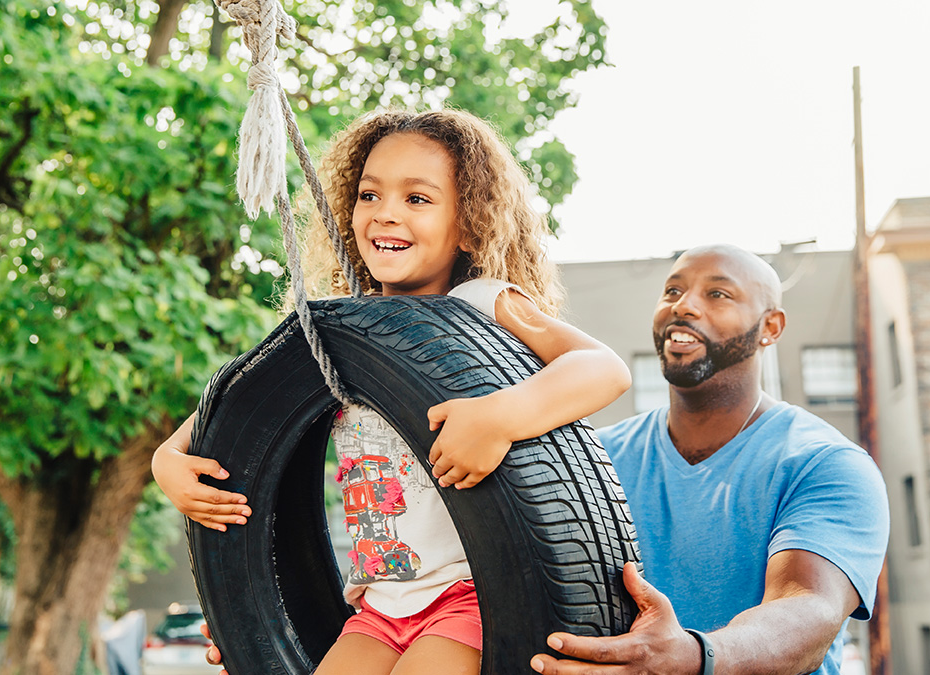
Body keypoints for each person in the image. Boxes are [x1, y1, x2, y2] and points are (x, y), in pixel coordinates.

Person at [151, 109, 632, 675]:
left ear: (471, 223)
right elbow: (223, 423)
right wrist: (167, 463)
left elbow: (603, 367)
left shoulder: (483, 303)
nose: (386, 215)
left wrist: (504, 414)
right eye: (369, 196)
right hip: (380, 605)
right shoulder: (335, 334)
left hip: (470, 595)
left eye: (418, 200)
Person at [528, 245, 890, 675]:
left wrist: (695, 656)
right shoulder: (592, 459)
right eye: (673, 291)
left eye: (718, 294)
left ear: (769, 327)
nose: (684, 306)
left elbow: (810, 608)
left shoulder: (825, 463)